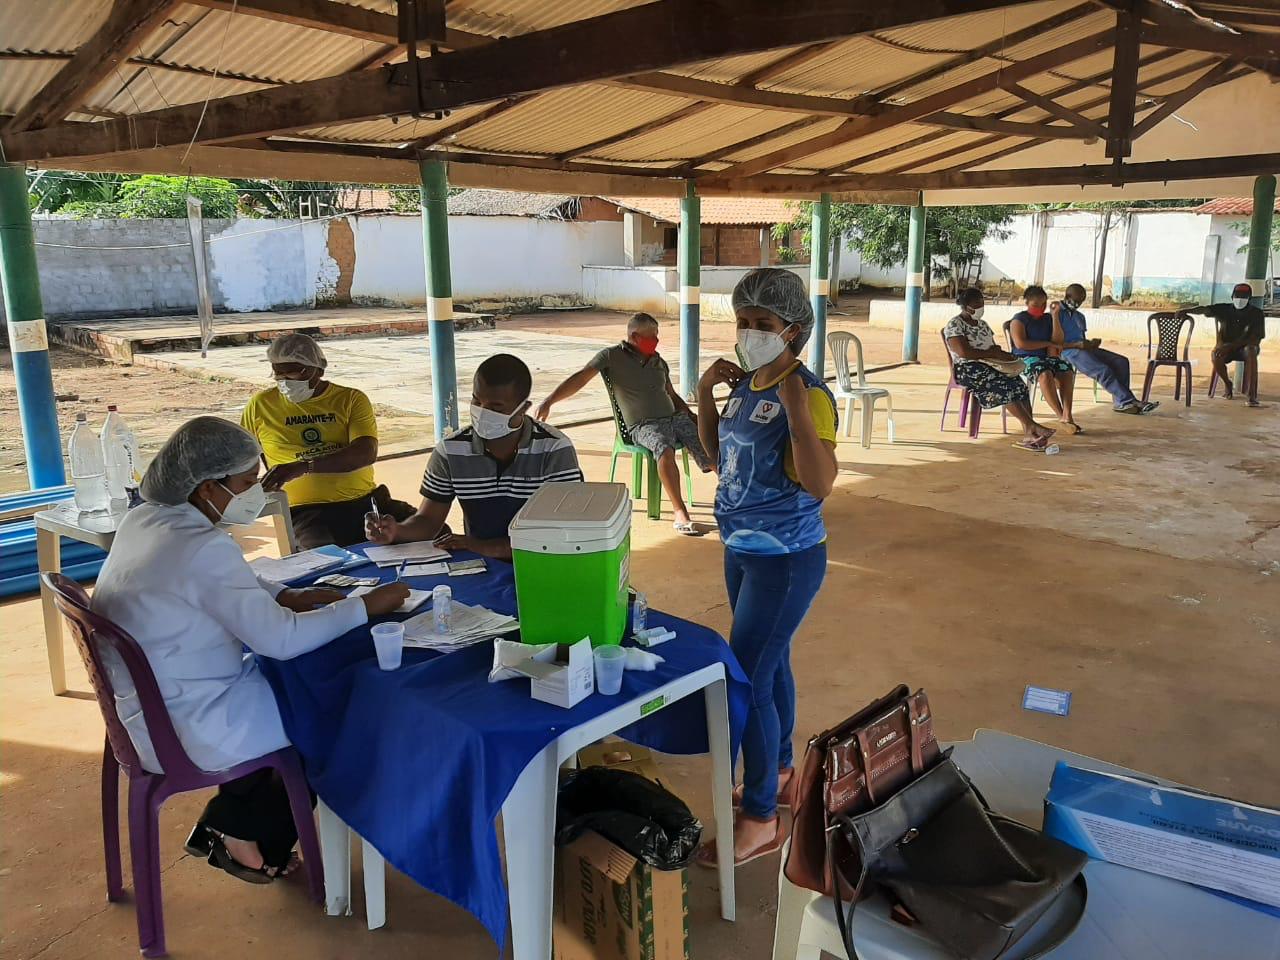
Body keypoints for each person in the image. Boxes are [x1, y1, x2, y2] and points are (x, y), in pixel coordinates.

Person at [91, 417, 410, 884]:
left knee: (299, 694)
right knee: (335, 712)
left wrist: (281, 594)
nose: (255, 491)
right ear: (205, 487)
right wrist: (366, 605)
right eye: (244, 483)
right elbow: (280, 640)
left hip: (144, 710)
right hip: (190, 724)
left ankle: (235, 822)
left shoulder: (147, 517)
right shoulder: (200, 545)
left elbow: (214, 577)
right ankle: (250, 834)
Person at [692, 268, 838, 867]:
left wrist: (798, 411)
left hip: (786, 560)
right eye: (744, 322)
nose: (750, 333)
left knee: (743, 680)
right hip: (742, 550)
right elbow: (712, 455)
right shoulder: (746, 382)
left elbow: (821, 482)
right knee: (768, 667)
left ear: (794, 331)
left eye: (764, 325)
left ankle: (758, 818)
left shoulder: (809, 393)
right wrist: (704, 395)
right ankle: (778, 775)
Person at [367, 354, 582, 560]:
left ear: (523, 408)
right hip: (482, 564)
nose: (482, 412)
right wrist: (396, 531)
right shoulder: (452, 450)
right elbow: (429, 520)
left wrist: (481, 546)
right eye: (476, 401)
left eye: (495, 407)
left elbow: (562, 532)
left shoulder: (554, 449)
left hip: (542, 561)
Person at [535, 312, 713, 535]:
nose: (655, 342)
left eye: (657, 337)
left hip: (674, 418)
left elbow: (672, 394)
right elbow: (581, 378)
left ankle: (734, 499)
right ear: (634, 336)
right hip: (642, 425)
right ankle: (680, 513)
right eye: (651, 338)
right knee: (663, 449)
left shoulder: (659, 361)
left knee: (707, 440)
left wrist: (690, 414)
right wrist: (550, 400)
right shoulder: (611, 356)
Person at [240, 332, 414, 549]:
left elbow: (365, 452)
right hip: (306, 511)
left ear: (319, 369)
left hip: (364, 501)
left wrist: (304, 466)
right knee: (329, 561)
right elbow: (242, 456)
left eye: (294, 374)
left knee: (433, 532)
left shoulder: (350, 399)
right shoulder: (260, 405)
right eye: (279, 375)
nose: (286, 382)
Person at [944, 287, 1058, 451]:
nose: (980, 307)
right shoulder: (955, 324)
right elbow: (964, 352)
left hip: (990, 364)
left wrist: (1004, 356)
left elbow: (992, 347)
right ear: (966, 306)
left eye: (982, 303)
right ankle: (1031, 426)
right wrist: (991, 353)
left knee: (1018, 384)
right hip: (968, 369)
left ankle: (1030, 433)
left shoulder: (982, 324)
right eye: (977, 304)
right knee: (1002, 386)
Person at [1055, 282, 1158, 415]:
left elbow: (1081, 338)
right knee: (1102, 370)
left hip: (1083, 348)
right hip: (1066, 351)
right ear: (1067, 296)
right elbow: (1053, 343)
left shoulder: (1079, 316)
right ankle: (1127, 400)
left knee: (1121, 362)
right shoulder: (1056, 313)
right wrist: (1076, 345)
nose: (1078, 304)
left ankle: (1121, 402)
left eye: (1081, 301)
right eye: (1076, 300)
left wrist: (1091, 343)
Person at [1009, 285, 1081, 434]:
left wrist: (1055, 317)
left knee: (1066, 370)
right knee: (1044, 373)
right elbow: (1021, 343)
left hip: (1046, 357)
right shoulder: (1019, 320)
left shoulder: (1047, 318)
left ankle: (1068, 415)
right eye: (1036, 305)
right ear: (1027, 303)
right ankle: (1060, 415)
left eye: (1043, 305)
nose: (1040, 308)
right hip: (1025, 358)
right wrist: (1047, 343)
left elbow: (1058, 341)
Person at [1180, 282, 1265, 407]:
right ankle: (1227, 383)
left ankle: (1251, 396)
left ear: (1249, 299)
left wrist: (1230, 346)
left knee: (1251, 350)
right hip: (1225, 348)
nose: (1240, 299)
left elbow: (1255, 338)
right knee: (1216, 354)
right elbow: (1205, 309)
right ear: (1232, 296)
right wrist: (1186, 310)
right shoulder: (1224, 309)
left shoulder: (1256, 313)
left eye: (1244, 297)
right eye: (1237, 296)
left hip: (1245, 349)